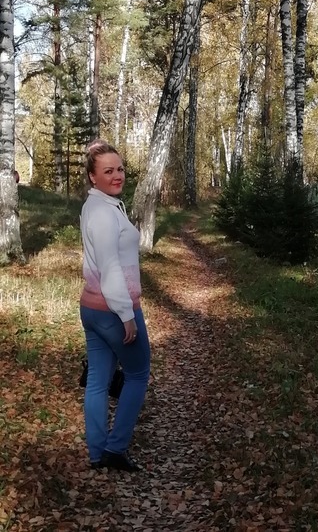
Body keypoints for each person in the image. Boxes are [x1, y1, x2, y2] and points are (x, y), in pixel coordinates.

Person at [80, 139, 151, 472]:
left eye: (120, 169)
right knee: (137, 374)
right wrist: (126, 315)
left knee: (98, 381)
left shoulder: (98, 206)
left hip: (93, 308)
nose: (117, 175)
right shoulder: (104, 213)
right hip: (112, 310)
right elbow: (110, 269)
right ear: (93, 177)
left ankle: (97, 453)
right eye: (108, 171)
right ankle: (115, 448)